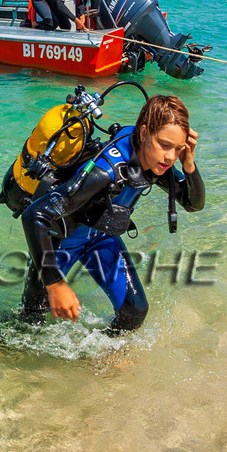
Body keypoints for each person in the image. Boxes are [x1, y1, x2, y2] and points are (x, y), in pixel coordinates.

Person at [19, 94, 203, 334]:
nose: (170, 157)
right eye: (165, 144)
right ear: (145, 133)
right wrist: (54, 285)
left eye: (178, 148)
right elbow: (34, 215)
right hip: (59, 244)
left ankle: (97, 362)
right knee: (28, 327)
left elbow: (192, 203)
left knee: (134, 312)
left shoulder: (156, 160)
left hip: (100, 239)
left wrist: (188, 164)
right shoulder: (106, 172)